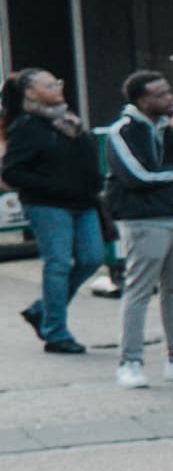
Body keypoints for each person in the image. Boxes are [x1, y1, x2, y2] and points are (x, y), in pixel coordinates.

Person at [95, 72, 173, 387]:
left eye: (169, 91)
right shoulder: (122, 131)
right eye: (160, 94)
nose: (169, 99)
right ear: (141, 99)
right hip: (145, 220)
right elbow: (139, 176)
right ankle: (130, 361)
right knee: (139, 289)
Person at [12, 70, 98, 358]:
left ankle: (42, 310)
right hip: (47, 205)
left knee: (92, 258)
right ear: (30, 93)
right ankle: (56, 333)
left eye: (58, 82)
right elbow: (12, 170)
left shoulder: (70, 121)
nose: (58, 87)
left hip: (84, 203)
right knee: (58, 264)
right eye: (49, 84)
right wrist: (52, 186)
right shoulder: (26, 127)